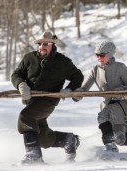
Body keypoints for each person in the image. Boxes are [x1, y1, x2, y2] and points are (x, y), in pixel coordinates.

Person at [11, 31, 84, 164]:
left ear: (52, 45)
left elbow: (78, 76)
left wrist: (69, 89)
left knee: (25, 117)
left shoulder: (62, 62)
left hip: (48, 101)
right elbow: (17, 74)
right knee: (43, 138)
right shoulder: (29, 58)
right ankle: (68, 140)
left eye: (45, 44)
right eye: (39, 44)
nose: (41, 46)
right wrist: (20, 84)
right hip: (31, 101)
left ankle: (34, 155)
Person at [73, 40, 127, 154]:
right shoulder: (95, 70)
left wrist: (120, 91)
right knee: (120, 139)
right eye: (97, 55)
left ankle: (110, 147)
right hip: (108, 104)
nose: (99, 58)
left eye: (101, 55)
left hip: (123, 104)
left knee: (103, 116)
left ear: (109, 55)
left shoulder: (120, 67)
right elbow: (84, 88)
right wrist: (77, 94)